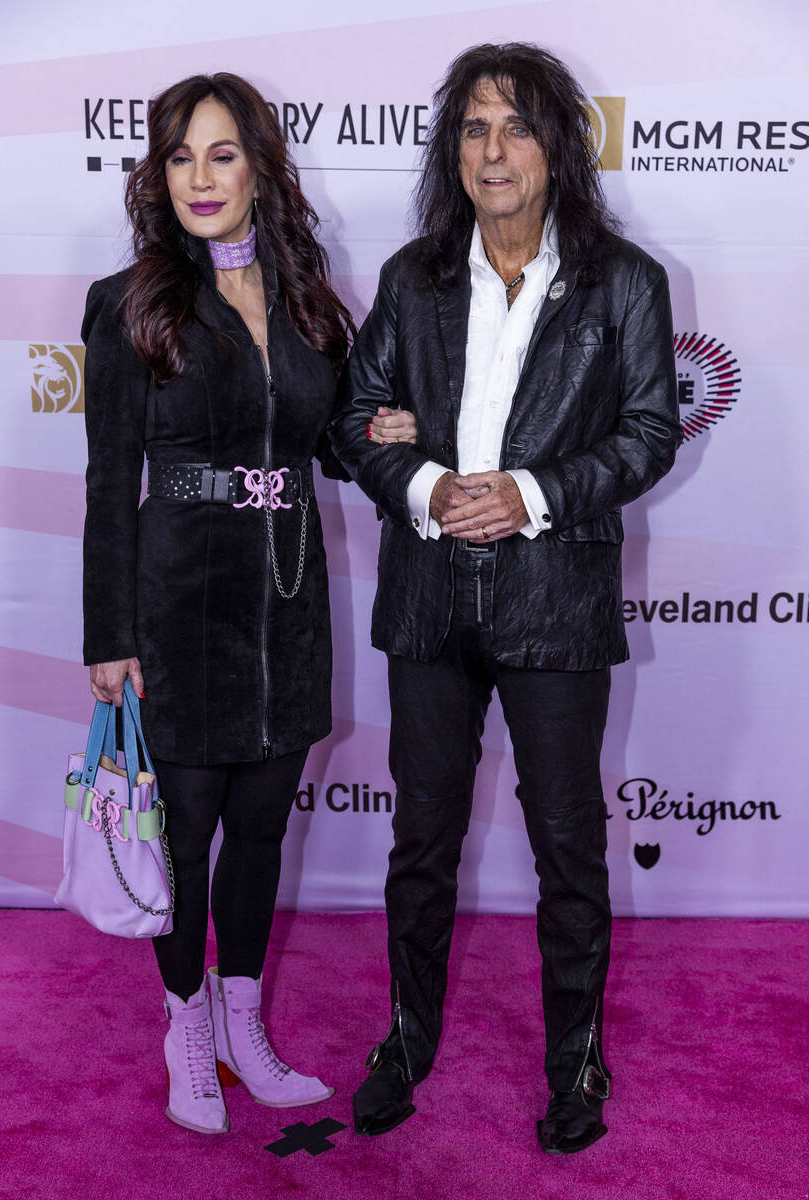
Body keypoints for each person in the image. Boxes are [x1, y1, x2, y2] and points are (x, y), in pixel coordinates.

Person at [330, 42, 681, 1153]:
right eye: (474, 128)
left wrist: (526, 492)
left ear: (557, 148)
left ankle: (574, 1059)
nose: (493, 151)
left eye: (516, 127)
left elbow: (649, 431)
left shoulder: (625, 282)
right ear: (453, 149)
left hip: (553, 600)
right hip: (430, 599)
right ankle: (404, 1036)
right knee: (421, 841)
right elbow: (353, 421)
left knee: (568, 845)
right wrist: (432, 486)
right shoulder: (411, 277)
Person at [81, 72, 415, 1135]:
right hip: (177, 597)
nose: (199, 177)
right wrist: (108, 636)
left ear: (260, 168)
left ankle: (243, 1027)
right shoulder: (129, 301)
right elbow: (106, 483)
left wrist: (384, 440)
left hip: (287, 597)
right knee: (182, 837)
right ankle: (183, 1027)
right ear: (158, 174)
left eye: (221, 153)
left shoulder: (312, 299)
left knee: (264, 829)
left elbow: (331, 440)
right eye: (179, 156)